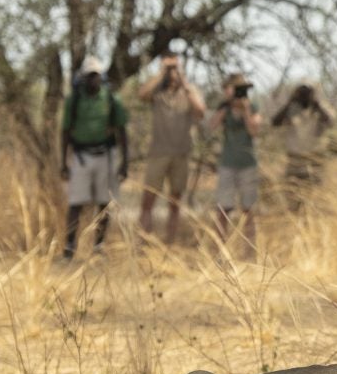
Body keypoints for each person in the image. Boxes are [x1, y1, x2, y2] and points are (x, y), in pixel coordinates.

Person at [60, 55, 129, 260]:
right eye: (90, 76)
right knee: (76, 202)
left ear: (102, 77)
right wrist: (63, 162)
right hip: (81, 156)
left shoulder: (111, 99)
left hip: (105, 156)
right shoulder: (74, 100)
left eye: (96, 76)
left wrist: (125, 162)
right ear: (83, 78)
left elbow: (122, 131)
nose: (93, 80)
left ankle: (98, 246)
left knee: (104, 202)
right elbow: (65, 131)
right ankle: (69, 247)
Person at [136, 49, 206, 244]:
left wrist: (182, 79)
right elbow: (141, 95)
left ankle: (170, 244)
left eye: (175, 66)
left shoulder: (189, 91)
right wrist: (162, 73)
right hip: (158, 153)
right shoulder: (157, 92)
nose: (172, 71)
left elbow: (200, 111)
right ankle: (143, 242)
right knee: (148, 200)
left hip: (181, 154)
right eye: (169, 66)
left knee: (175, 202)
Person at [210, 72, 262, 256]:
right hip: (227, 163)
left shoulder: (252, 107)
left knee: (248, 209)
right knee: (223, 209)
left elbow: (254, 131)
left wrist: (245, 110)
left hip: (248, 164)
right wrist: (226, 106)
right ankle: (220, 252)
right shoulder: (224, 108)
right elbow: (212, 125)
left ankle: (250, 252)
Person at [271, 83, 336, 211]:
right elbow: (275, 122)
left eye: (308, 92)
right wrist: (289, 102)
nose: (304, 95)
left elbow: (331, 121)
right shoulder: (291, 108)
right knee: (293, 198)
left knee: (315, 199)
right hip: (295, 160)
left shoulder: (321, 108)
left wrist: (317, 104)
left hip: (315, 160)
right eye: (302, 92)